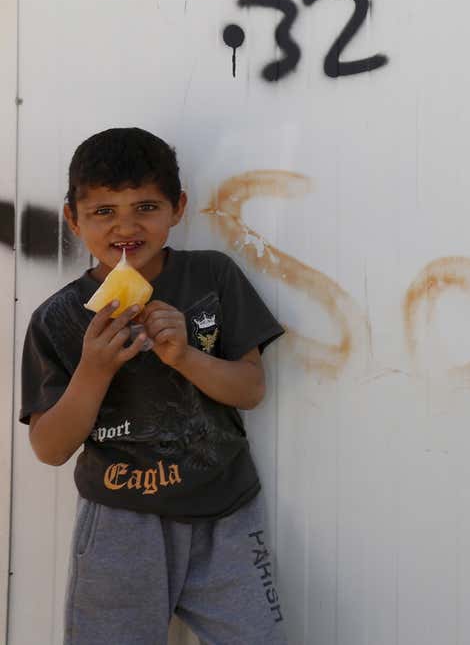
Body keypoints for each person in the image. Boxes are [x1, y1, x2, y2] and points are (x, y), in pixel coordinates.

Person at [19, 127, 287, 643]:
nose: (126, 227)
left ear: (178, 207)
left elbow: (251, 389)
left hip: (226, 509)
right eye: (103, 212)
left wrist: (185, 356)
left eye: (146, 207)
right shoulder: (57, 318)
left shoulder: (212, 276)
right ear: (73, 218)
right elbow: (50, 448)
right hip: (121, 521)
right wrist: (94, 369)